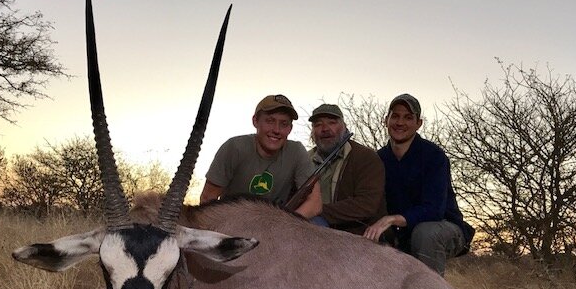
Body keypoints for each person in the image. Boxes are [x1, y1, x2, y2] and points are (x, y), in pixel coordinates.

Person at [364, 93, 473, 276]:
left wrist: (391, 219)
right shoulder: (378, 159)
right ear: (386, 120)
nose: (400, 123)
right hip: (401, 232)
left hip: (441, 227)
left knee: (425, 233)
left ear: (418, 123)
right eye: (395, 116)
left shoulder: (434, 156)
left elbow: (434, 210)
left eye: (408, 117)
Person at [200, 94, 322, 219]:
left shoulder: (297, 151)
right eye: (270, 121)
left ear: (290, 128)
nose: (276, 130)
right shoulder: (234, 147)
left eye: (284, 124)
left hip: (277, 224)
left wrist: (283, 224)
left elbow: (315, 203)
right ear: (255, 121)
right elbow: (208, 198)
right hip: (232, 221)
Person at [308, 103, 385, 235]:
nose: (325, 128)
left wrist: (317, 210)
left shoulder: (365, 157)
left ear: (344, 127)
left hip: (353, 234)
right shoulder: (304, 159)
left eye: (332, 122)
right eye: (318, 124)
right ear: (313, 131)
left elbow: (367, 204)